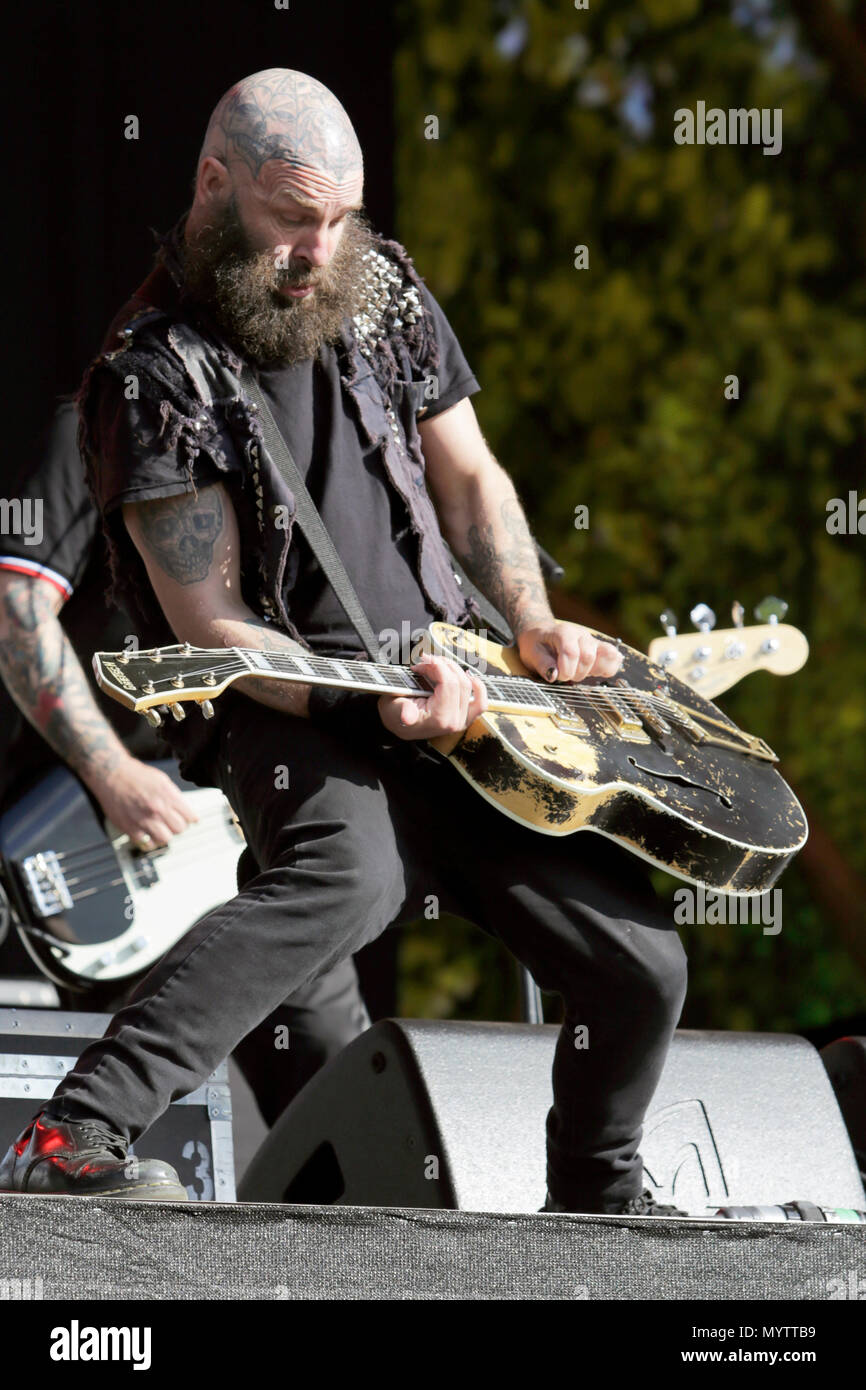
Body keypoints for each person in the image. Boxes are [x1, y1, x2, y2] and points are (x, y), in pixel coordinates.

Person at [0, 68, 688, 1213]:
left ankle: (598, 1206)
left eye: (340, 220)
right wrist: (369, 706)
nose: (320, 249)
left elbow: (469, 479)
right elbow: (213, 628)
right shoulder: (148, 379)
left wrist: (529, 622)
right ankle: (72, 1135)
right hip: (295, 713)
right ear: (214, 186)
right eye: (291, 218)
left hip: (464, 703)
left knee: (640, 962)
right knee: (349, 878)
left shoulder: (386, 291)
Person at [0, 401, 374, 1124]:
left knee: (337, 1095)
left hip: (270, 832)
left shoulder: (301, 451)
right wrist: (111, 773)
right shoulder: (103, 425)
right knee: (159, 1125)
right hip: (128, 834)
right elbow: (15, 603)